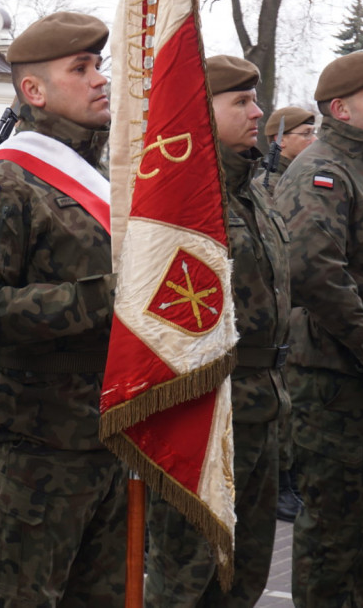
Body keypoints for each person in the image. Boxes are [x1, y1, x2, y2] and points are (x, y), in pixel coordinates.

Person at [0, 11, 126, 606]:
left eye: (98, 66)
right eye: (80, 68)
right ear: (33, 90)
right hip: (41, 449)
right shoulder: (7, 183)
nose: (99, 79)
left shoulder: (103, 176)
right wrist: (103, 298)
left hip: (112, 433)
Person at [145, 55, 291, 607]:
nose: (258, 112)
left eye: (255, 99)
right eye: (241, 101)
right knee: (184, 579)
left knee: (245, 576)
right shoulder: (178, 197)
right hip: (206, 418)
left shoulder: (255, 191)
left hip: (265, 408)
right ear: (200, 111)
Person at [274, 51, 363, 607]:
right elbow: (313, 270)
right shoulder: (323, 170)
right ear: (340, 108)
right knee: (334, 535)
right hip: (334, 378)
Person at [256, 105, 316, 525]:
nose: (313, 140)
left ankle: (288, 480)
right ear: (282, 139)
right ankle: (281, 485)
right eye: (305, 133)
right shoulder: (267, 182)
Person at [256, 105, 317, 196]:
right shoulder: (266, 187)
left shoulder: (307, 178)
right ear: (280, 140)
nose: (315, 140)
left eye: (313, 133)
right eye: (306, 133)